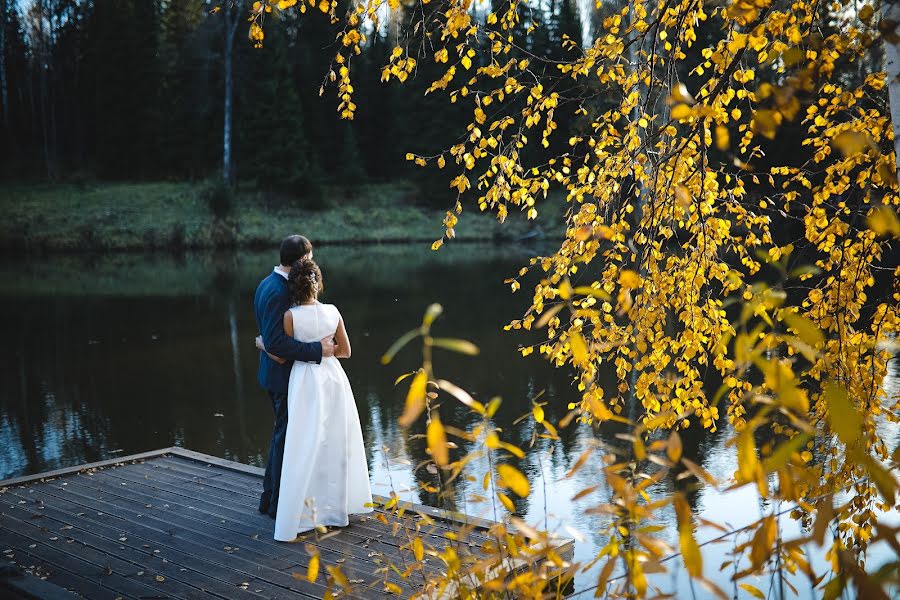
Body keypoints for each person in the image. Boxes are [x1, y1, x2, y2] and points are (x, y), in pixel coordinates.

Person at [258, 258, 372, 541]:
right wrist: (327, 350)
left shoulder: (291, 316)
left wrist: (262, 343)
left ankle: (306, 512)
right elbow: (345, 352)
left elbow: (281, 353)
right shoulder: (333, 312)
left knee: (305, 443)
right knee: (335, 440)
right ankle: (336, 510)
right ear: (318, 284)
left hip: (305, 381)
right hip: (333, 380)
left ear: (294, 287)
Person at [253, 235, 335, 518]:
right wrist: (318, 349)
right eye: (310, 257)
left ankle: (269, 499)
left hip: (275, 375)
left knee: (282, 437)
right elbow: (276, 343)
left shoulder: (267, 283)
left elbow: (269, 339)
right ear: (302, 259)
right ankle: (278, 505)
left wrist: (264, 343)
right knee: (285, 439)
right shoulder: (278, 292)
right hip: (284, 378)